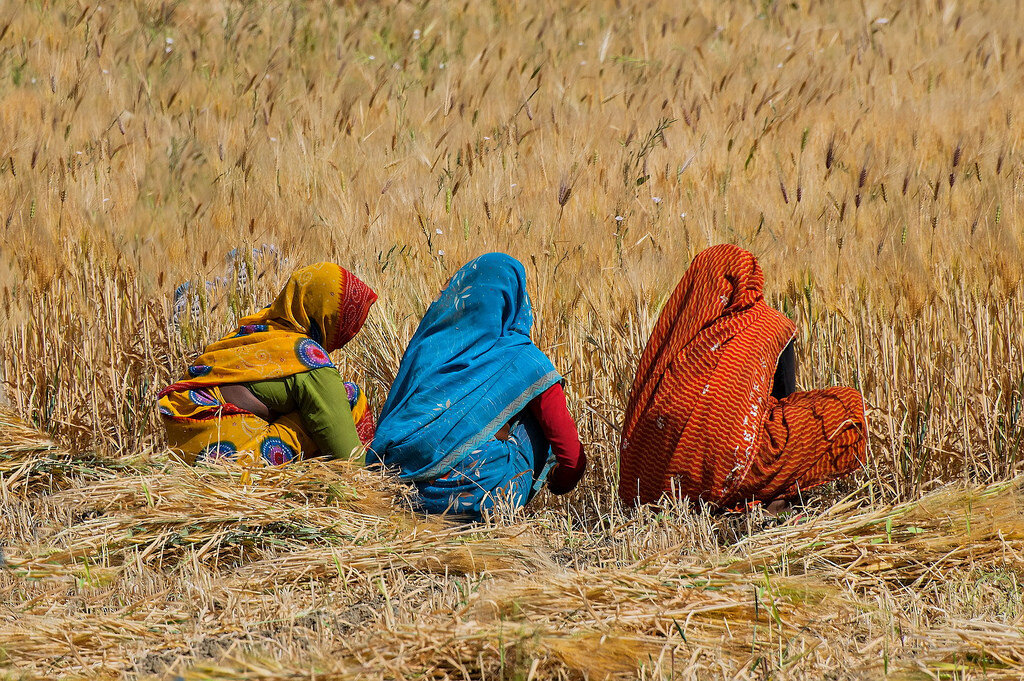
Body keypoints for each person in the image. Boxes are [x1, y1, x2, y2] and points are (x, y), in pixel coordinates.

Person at [618, 244, 867, 511]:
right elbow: (784, 397)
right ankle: (771, 497)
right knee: (846, 405)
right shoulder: (771, 324)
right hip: (736, 467)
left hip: (656, 487)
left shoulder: (675, 332)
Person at [368, 253, 586, 518]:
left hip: (399, 489)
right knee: (535, 394)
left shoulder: (428, 346)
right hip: (476, 495)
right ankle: (499, 498)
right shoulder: (524, 360)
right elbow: (571, 456)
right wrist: (558, 481)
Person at [158, 262, 377, 466]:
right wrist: (372, 477)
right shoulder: (309, 358)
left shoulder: (254, 332)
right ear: (330, 317)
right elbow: (347, 457)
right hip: (228, 461)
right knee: (349, 397)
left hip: (185, 446)